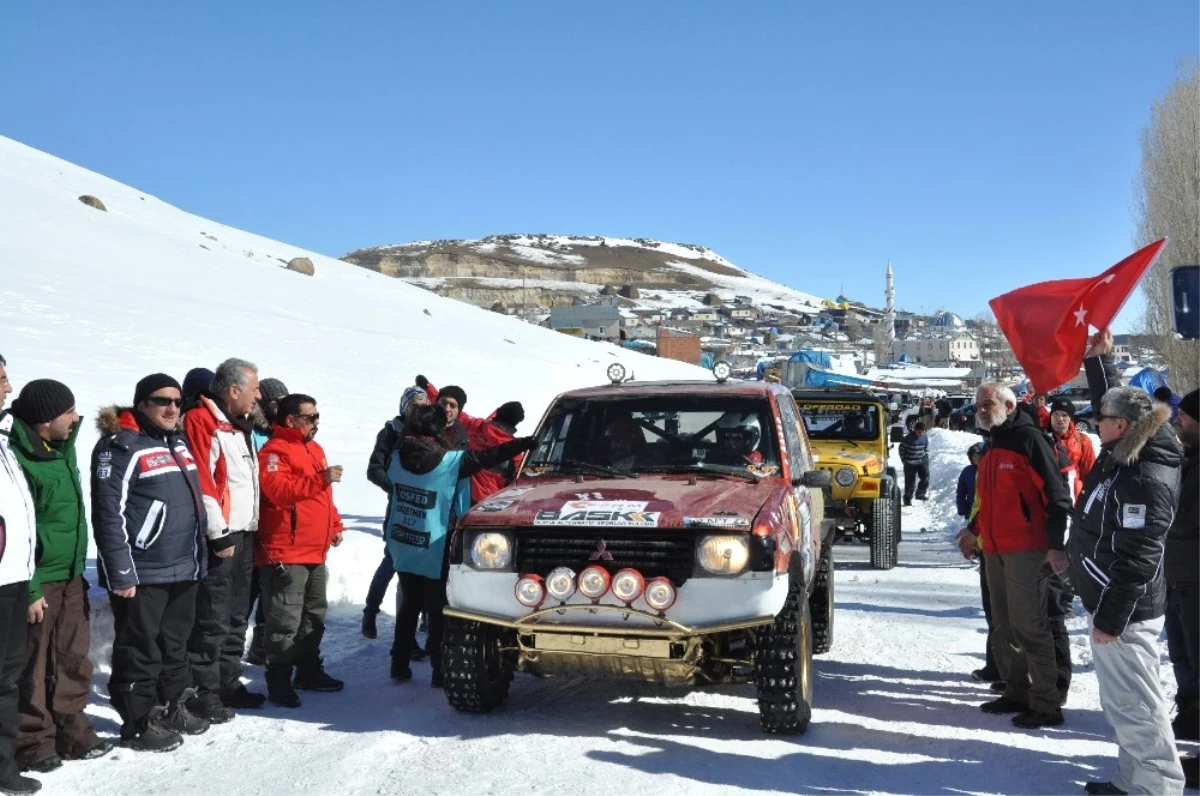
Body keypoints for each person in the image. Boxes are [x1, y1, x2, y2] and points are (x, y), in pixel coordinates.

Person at [1069, 330, 1185, 796]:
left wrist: (1113, 618)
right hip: (1111, 600)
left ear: (1122, 426)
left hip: (1127, 610)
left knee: (1138, 704)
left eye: (1102, 419)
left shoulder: (1144, 474)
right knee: (1122, 702)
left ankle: (1157, 787)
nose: (1095, 423)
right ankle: (1134, 781)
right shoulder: (1128, 448)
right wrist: (1100, 362)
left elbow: (1140, 554)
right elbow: (1116, 401)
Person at [91, 375, 210, 751]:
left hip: (183, 564)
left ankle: (174, 705)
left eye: (177, 401)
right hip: (143, 570)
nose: (172, 408)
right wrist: (120, 571)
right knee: (139, 647)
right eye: (162, 401)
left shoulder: (177, 441)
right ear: (141, 404)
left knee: (175, 643)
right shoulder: (121, 446)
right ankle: (138, 721)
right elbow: (108, 514)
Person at [386, 404, 535, 685]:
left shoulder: (397, 454)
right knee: (440, 608)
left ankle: (399, 664)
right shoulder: (450, 462)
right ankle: (439, 671)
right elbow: (489, 456)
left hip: (403, 539)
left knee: (409, 604)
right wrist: (523, 445)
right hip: (435, 543)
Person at [956, 381, 1072, 729]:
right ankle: (1017, 691)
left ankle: (1047, 703)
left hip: (1026, 550)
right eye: (977, 405)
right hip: (994, 549)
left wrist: (1055, 545)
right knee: (1004, 626)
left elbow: (1057, 496)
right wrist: (973, 530)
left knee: (1030, 626)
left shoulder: (1029, 440)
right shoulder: (992, 444)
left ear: (1009, 406)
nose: (980, 410)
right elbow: (990, 500)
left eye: (987, 404)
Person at [7, 380, 109, 772]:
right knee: (32, 665)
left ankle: (73, 732)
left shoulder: (61, 449)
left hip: (70, 575)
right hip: (37, 579)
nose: (76, 417)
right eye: (68, 411)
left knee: (72, 657)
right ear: (46, 419)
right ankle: (33, 741)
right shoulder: (19, 457)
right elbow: (19, 530)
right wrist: (30, 588)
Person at [183, 358, 263, 722]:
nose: (258, 396)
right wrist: (218, 532)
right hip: (224, 534)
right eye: (254, 389)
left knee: (235, 613)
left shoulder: (237, 425)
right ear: (233, 391)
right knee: (212, 615)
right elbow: (203, 480)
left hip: (244, 531)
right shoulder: (203, 422)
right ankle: (204, 690)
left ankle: (228, 680)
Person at [257, 393, 346, 708]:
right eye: (310, 417)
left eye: (318, 417)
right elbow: (278, 492)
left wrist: (334, 525)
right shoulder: (273, 451)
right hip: (286, 550)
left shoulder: (313, 448)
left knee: (313, 615)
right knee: (284, 619)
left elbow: (323, 498)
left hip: (314, 549)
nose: (316, 423)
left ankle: (307, 670)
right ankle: (278, 679)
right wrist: (319, 479)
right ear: (291, 419)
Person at [0, 355, 42, 795]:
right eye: (2, 381)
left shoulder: (4, 442)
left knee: (5, 676)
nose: (9, 390)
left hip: (12, 577)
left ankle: (2, 768)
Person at [362, 385, 430, 647]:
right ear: (404, 406)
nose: (419, 412)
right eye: (415, 406)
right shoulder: (392, 431)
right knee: (393, 561)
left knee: (422, 568)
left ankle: (419, 623)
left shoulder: (430, 432)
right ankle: (370, 612)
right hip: (400, 508)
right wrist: (397, 488)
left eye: (424, 407)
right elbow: (374, 469)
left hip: (426, 509)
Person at [1164, 387, 1200, 740]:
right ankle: (1190, 716)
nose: (1179, 420)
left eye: (1185, 416)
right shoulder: (1187, 457)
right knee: (1182, 656)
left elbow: (1183, 517)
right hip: (1178, 577)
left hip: (1195, 579)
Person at [245, 377, 288, 667]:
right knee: (247, 587)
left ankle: (260, 642)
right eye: (275, 401)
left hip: (272, 519)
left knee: (268, 586)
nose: (280, 406)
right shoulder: (252, 430)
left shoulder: (280, 430)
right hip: (252, 516)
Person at [1048, 398, 1097, 499]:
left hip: (1075, 495)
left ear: (1070, 418)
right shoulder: (1042, 438)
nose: (1059, 418)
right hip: (1050, 496)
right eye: (1056, 414)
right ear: (1051, 416)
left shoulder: (1082, 440)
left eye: (1064, 415)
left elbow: (1089, 472)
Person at [899, 422, 929, 506]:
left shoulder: (925, 437)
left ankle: (920, 494)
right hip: (910, 463)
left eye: (922, 431)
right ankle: (907, 499)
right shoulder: (908, 438)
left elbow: (926, 447)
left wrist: (926, 457)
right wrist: (904, 460)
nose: (921, 433)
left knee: (926, 476)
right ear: (915, 430)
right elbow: (901, 449)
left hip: (921, 461)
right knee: (910, 483)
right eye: (919, 432)